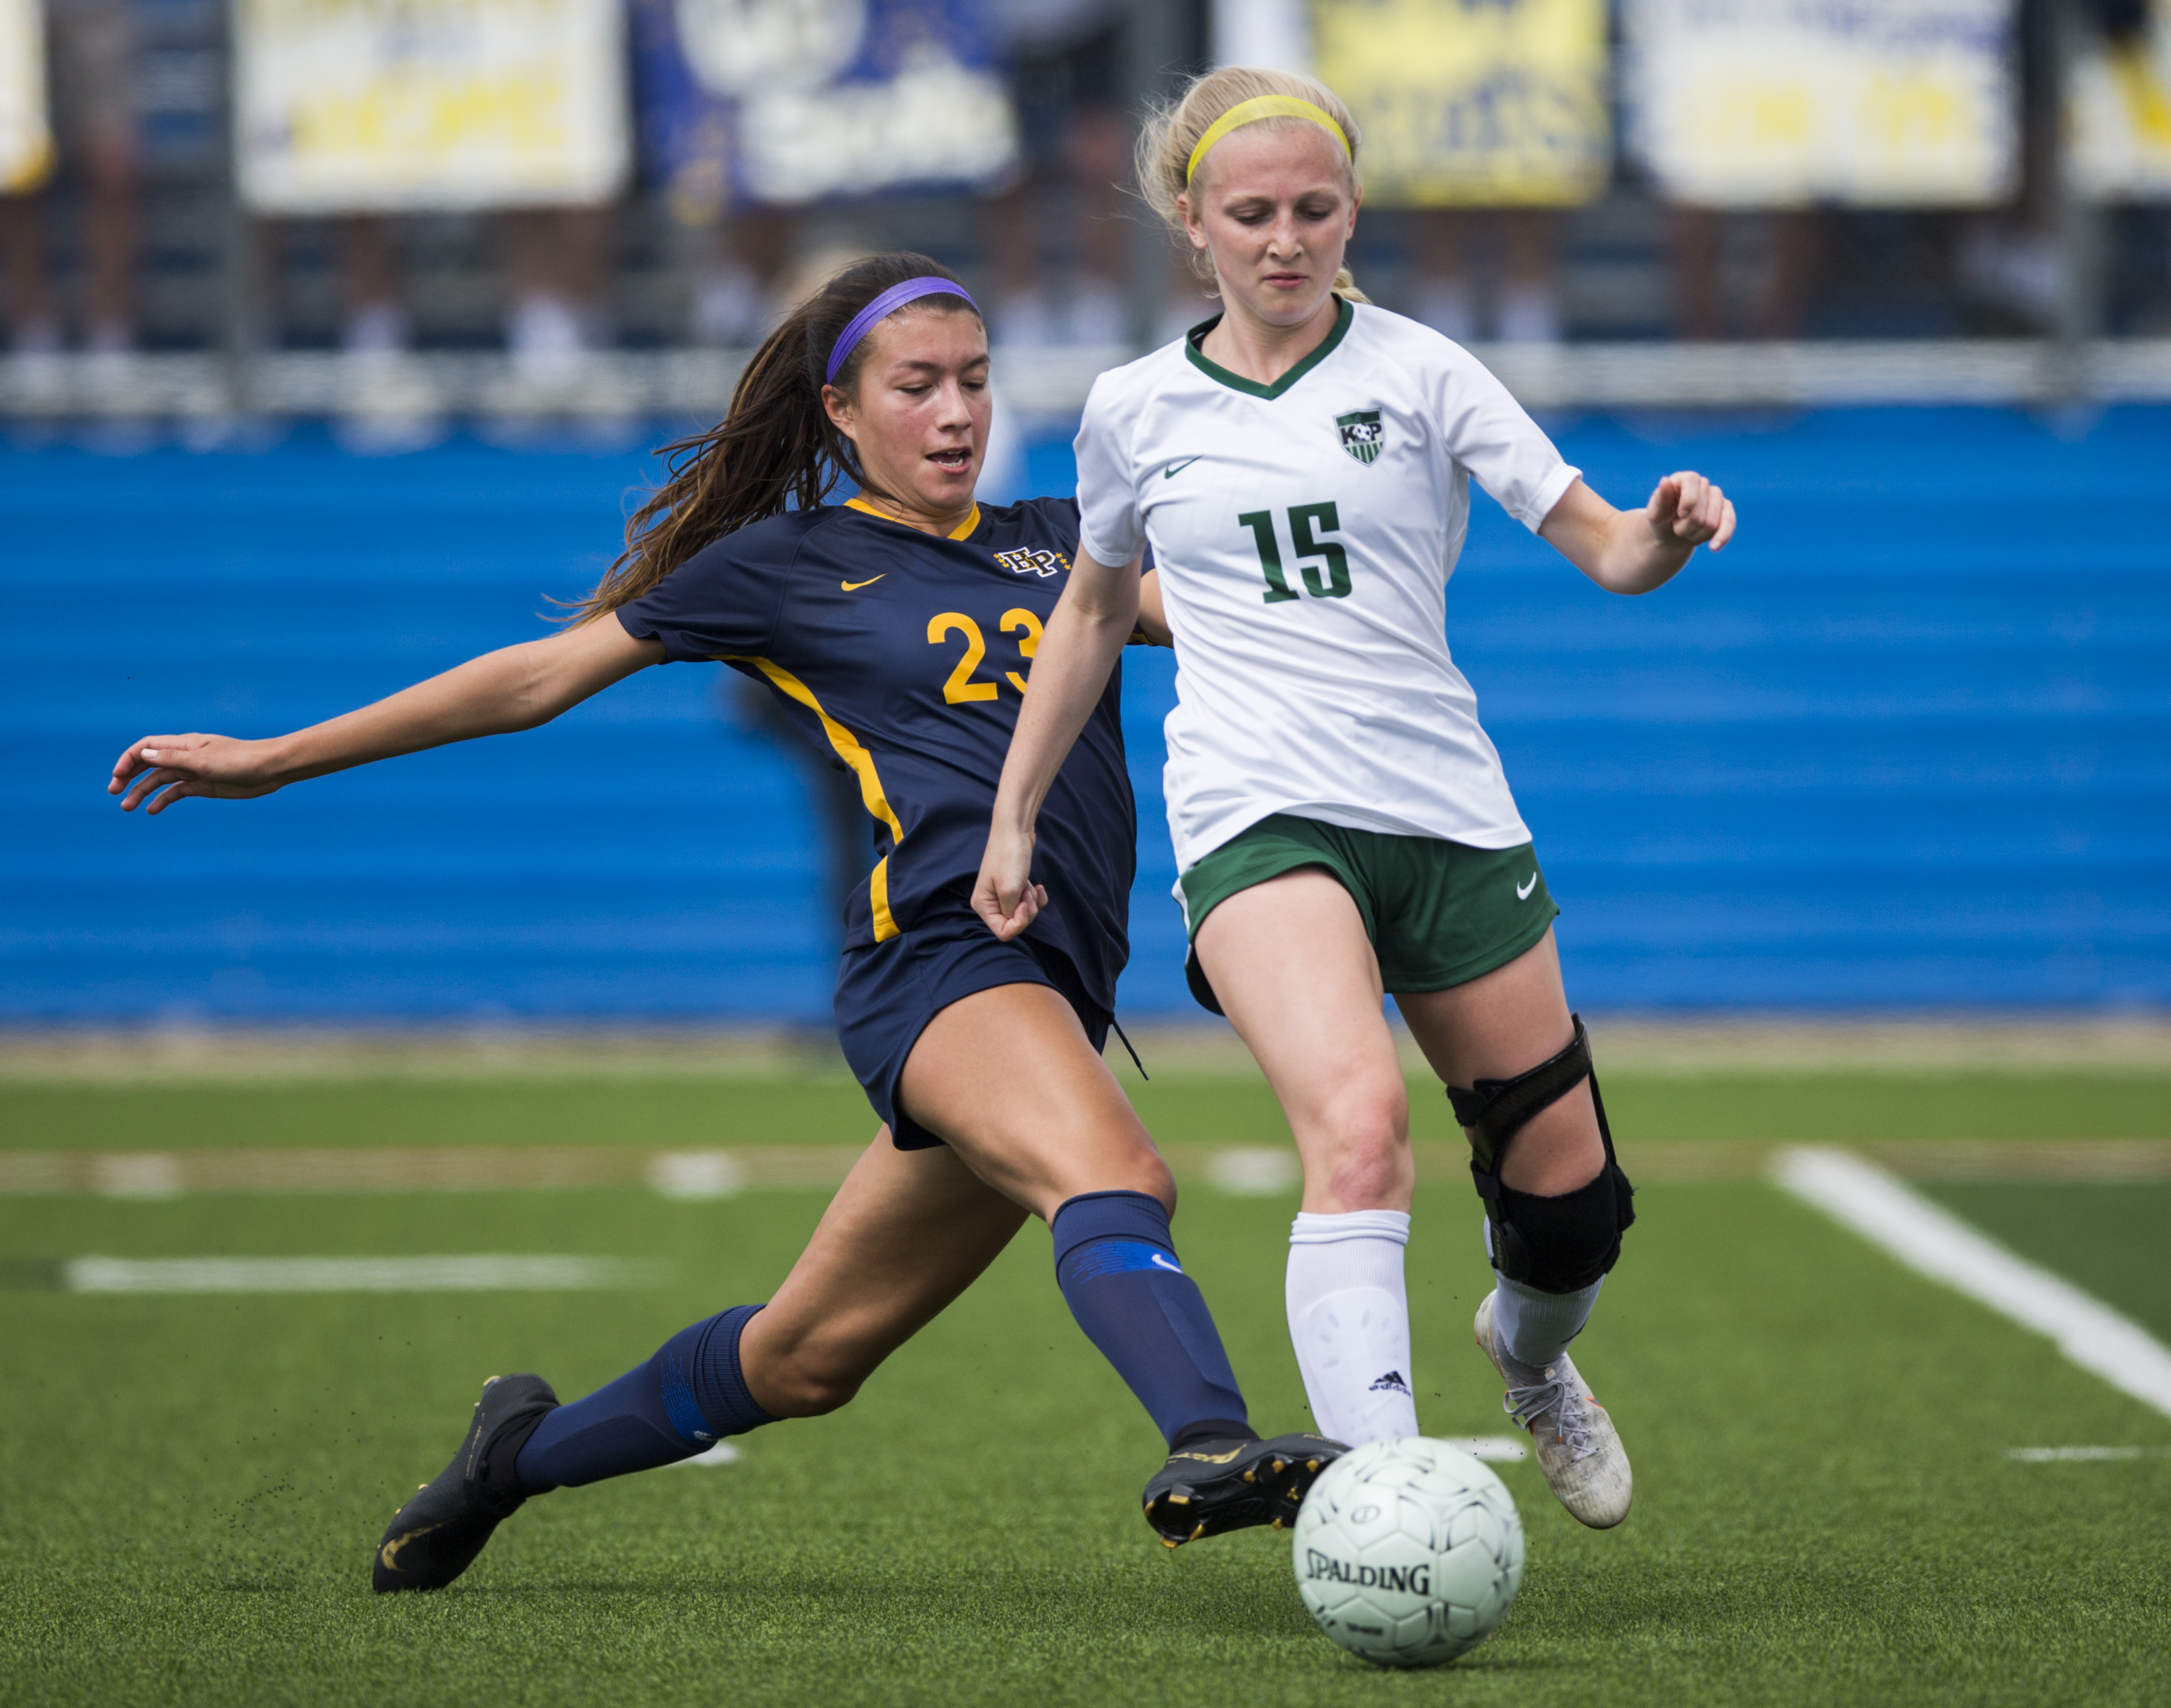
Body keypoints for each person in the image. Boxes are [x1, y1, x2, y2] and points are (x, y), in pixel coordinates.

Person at [108, 252, 1337, 1590]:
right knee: (1119, 1180)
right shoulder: (789, 563)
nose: (953, 413)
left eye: (974, 382)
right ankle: (1209, 1440)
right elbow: (536, 678)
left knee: (804, 1359)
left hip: (1047, 987)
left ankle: (505, 1461)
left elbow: (1244, 607)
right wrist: (279, 756)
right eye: (915, 386)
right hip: (938, 966)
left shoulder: (1062, 538)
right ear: (840, 413)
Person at [974, 70, 1737, 1532]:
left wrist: (1666, 528)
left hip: (1444, 809)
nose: (1282, 238)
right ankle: (1377, 1496)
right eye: (1248, 213)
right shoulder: (1132, 406)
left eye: (1311, 209)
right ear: (1190, 226)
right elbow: (1086, 614)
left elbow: (1605, 551)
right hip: (1256, 808)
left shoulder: (1426, 372)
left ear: (1352, 213)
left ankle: (1528, 1361)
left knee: (1568, 1206)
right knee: (1357, 1121)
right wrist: (1014, 814)